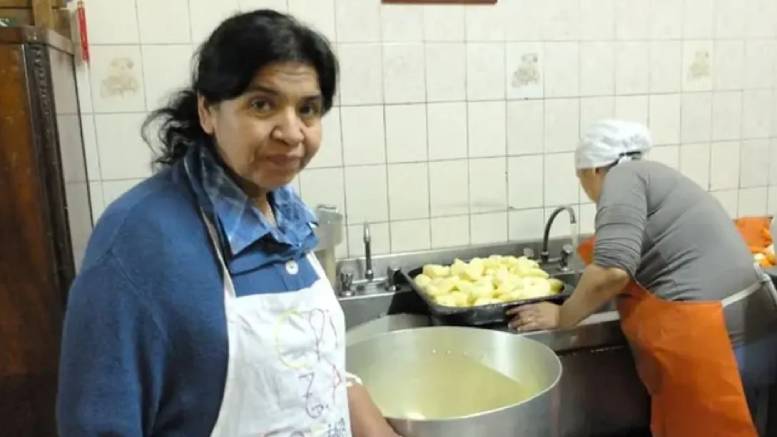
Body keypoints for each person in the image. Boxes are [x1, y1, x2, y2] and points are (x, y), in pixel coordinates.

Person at [57, 10, 399, 437]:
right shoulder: (138, 240)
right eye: (262, 104)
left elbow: (314, 375)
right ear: (207, 111)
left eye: (308, 110)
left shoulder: (285, 216)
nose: (292, 132)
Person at [508, 119, 777, 436]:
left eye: (580, 177)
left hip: (715, 341)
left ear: (595, 169)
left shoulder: (623, 178)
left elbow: (611, 271)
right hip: (752, 330)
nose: (585, 187)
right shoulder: (655, 176)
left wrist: (563, 315)